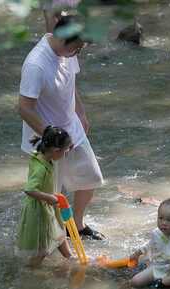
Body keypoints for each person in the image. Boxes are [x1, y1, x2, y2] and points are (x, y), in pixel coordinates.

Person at [18, 15, 105, 240]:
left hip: (72, 129)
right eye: (76, 47)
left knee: (91, 177)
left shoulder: (68, 53)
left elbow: (70, 83)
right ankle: (54, 239)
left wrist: (82, 113)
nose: (78, 53)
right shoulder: (36, 64)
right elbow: (24, 108)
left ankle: (77, 225)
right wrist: (50, 135)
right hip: (48, 141)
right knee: (51, 196)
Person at [15, 126, 73, 266]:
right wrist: (49, 198)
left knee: (59, 232)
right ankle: (30, 270)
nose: (66, 154)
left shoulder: (43, 155)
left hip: (47, 205)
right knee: (43, 248)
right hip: (39, 210)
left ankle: (70, 257)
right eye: (65, 151)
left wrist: (66, 147)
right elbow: (29, 190)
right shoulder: (40, 168)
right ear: (55, 150)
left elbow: (58, 148)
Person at [129, 199, 170, 289]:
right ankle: (162, 282)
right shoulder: (156, 233)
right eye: (160, 218)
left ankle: (162, 283)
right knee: (135, 282)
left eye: (169, 220)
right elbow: (148, 245)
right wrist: (136, 254)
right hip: (156, 268)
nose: (163, 223)